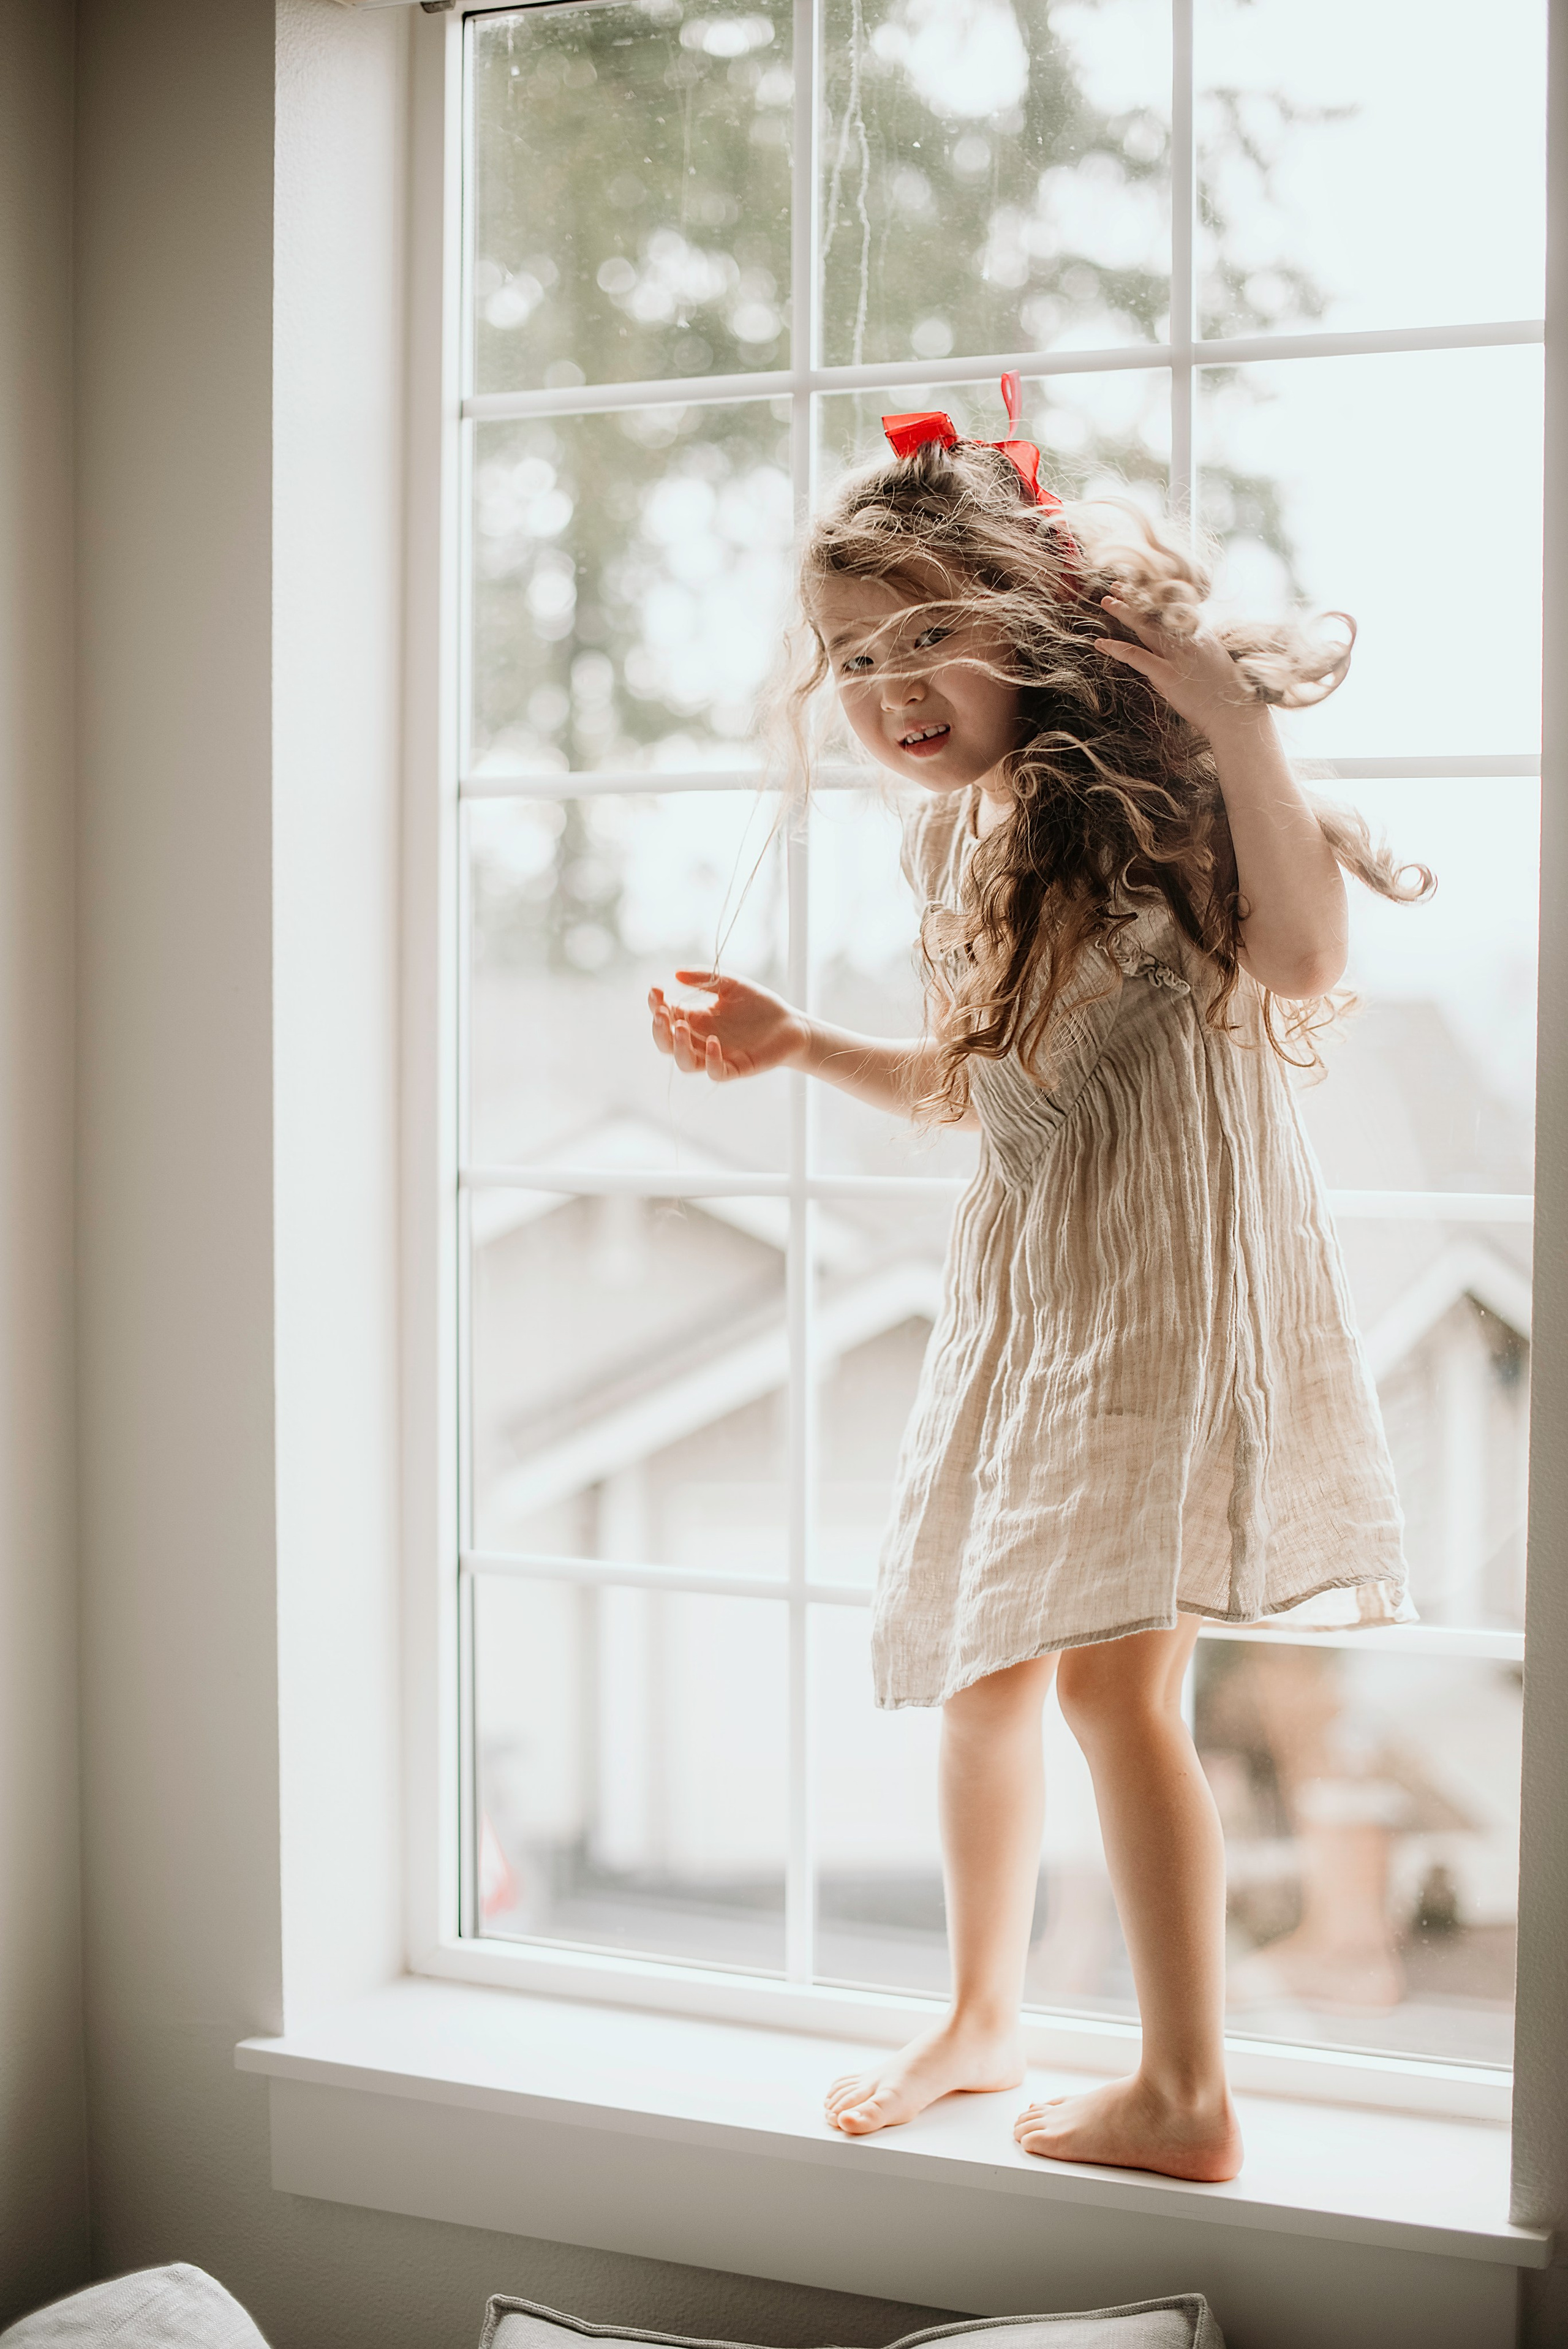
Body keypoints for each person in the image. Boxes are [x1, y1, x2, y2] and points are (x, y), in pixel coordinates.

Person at [646, 378, 1428, 2185]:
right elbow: (991, 1092)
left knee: (1109, 1693)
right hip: (1039, 1291)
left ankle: (1187, 2088)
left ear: (1035, 635)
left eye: (931, 638)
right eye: (852, 656)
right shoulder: (982, 831)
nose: (891, 686)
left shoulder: (1158, 808)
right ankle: (984, 2009)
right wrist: (794, 1043)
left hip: (1165, 1293)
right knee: (992, 1672)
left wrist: (1230, 712)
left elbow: (1307, 960)